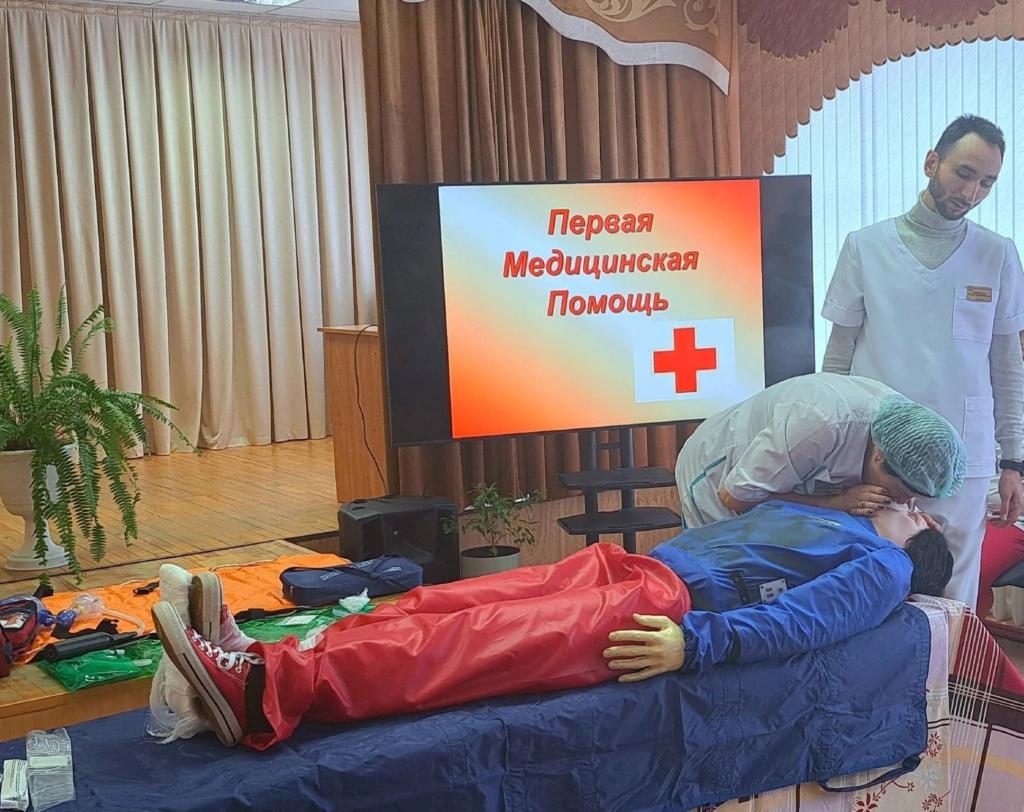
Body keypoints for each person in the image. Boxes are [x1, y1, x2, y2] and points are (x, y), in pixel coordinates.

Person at [151, 500, 953, 750]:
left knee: (465, 646)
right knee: (447, 604)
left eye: (918, 511)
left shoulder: (885, 567)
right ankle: (265, 653)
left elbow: (805, 620)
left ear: (918, 541)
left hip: (665, 610)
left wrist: (696, 645)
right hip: (635, 569)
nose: (906, 502)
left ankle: (266, 693)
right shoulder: (839, 517)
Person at [821, 114, 1024, 607]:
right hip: (878, 454)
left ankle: (947, 663)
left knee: (954, 590)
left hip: (965, 454)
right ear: (932, 162)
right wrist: (831, 449)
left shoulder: (997, 254)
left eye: (987, 182)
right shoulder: (865, 247)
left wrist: (1014, 461)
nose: (971, 192)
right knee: (874, 580)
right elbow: (837, 359)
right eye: (963, 173)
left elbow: (1007, 366)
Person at [674, 372, 966, 528]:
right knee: (722, 581)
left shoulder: (904, 431)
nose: (904, 503)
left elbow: (908, 478)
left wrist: (911, 517)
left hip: (789, 475)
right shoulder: (820, 421)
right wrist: (837, 503)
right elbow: (735, 497)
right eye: (901, 493)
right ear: (879, 456)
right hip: (717, 472)